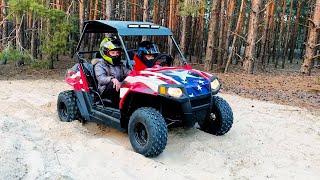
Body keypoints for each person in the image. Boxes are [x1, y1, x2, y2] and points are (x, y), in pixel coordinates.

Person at [94, 37, 130, 108]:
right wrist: (112, 79)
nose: (116, 55)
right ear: (105, 53)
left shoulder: (119, 64)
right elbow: (101, 79)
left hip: (119, 86)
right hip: (104, 90)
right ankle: (118, 108)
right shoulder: (100, 65)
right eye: (113, 53)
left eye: (117, 53)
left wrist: (134, 74)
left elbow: (127, 71)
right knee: (114, 84)